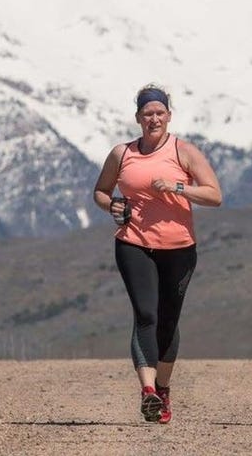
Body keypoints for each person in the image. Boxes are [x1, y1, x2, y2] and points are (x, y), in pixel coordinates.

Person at [93, 84, 222, 424]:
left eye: (159, 113)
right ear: (137, 117)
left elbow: (214, 195)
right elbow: (101, 192)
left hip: (179, 248)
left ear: (169, 116)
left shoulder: (185, 152)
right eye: (147, 113)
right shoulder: (122, 154)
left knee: (168, 319)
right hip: (133, 243)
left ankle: (163, 389)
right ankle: (148, 391)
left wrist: (179, 186)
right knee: (146, 315)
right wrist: (113, 205)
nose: (154, 119)